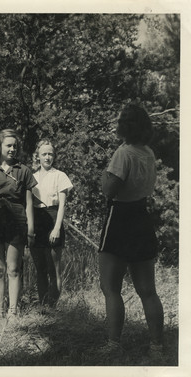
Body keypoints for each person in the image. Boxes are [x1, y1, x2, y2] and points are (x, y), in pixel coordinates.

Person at [98, 104, 164, 356]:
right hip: (142, 216)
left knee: (110, 286)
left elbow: (109, 190)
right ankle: (157, 346)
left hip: (120, 217)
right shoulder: (148, 152)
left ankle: (114, 343)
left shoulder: (123, 153)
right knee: (147, 289)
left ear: (124, 126)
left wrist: (105, 175)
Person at [0, 129, 36, 318]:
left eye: (14, 146)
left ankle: (13, 310)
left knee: (13, 269)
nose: (12, 149)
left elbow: (28, 203)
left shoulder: (23, 171)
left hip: (16, 223)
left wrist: (31, 229)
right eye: (8, 145)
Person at [30, 139, 73, 307]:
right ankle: (42, 306)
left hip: (53, 217)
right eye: (44, 154)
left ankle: (52, 307)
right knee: (39, 267)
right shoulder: (31, 177)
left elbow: (62, 204)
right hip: (36, 218)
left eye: (50, 154)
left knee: (53, 268)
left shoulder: (59, 176)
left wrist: (56, 228)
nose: (47, 157)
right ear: (38, 156)